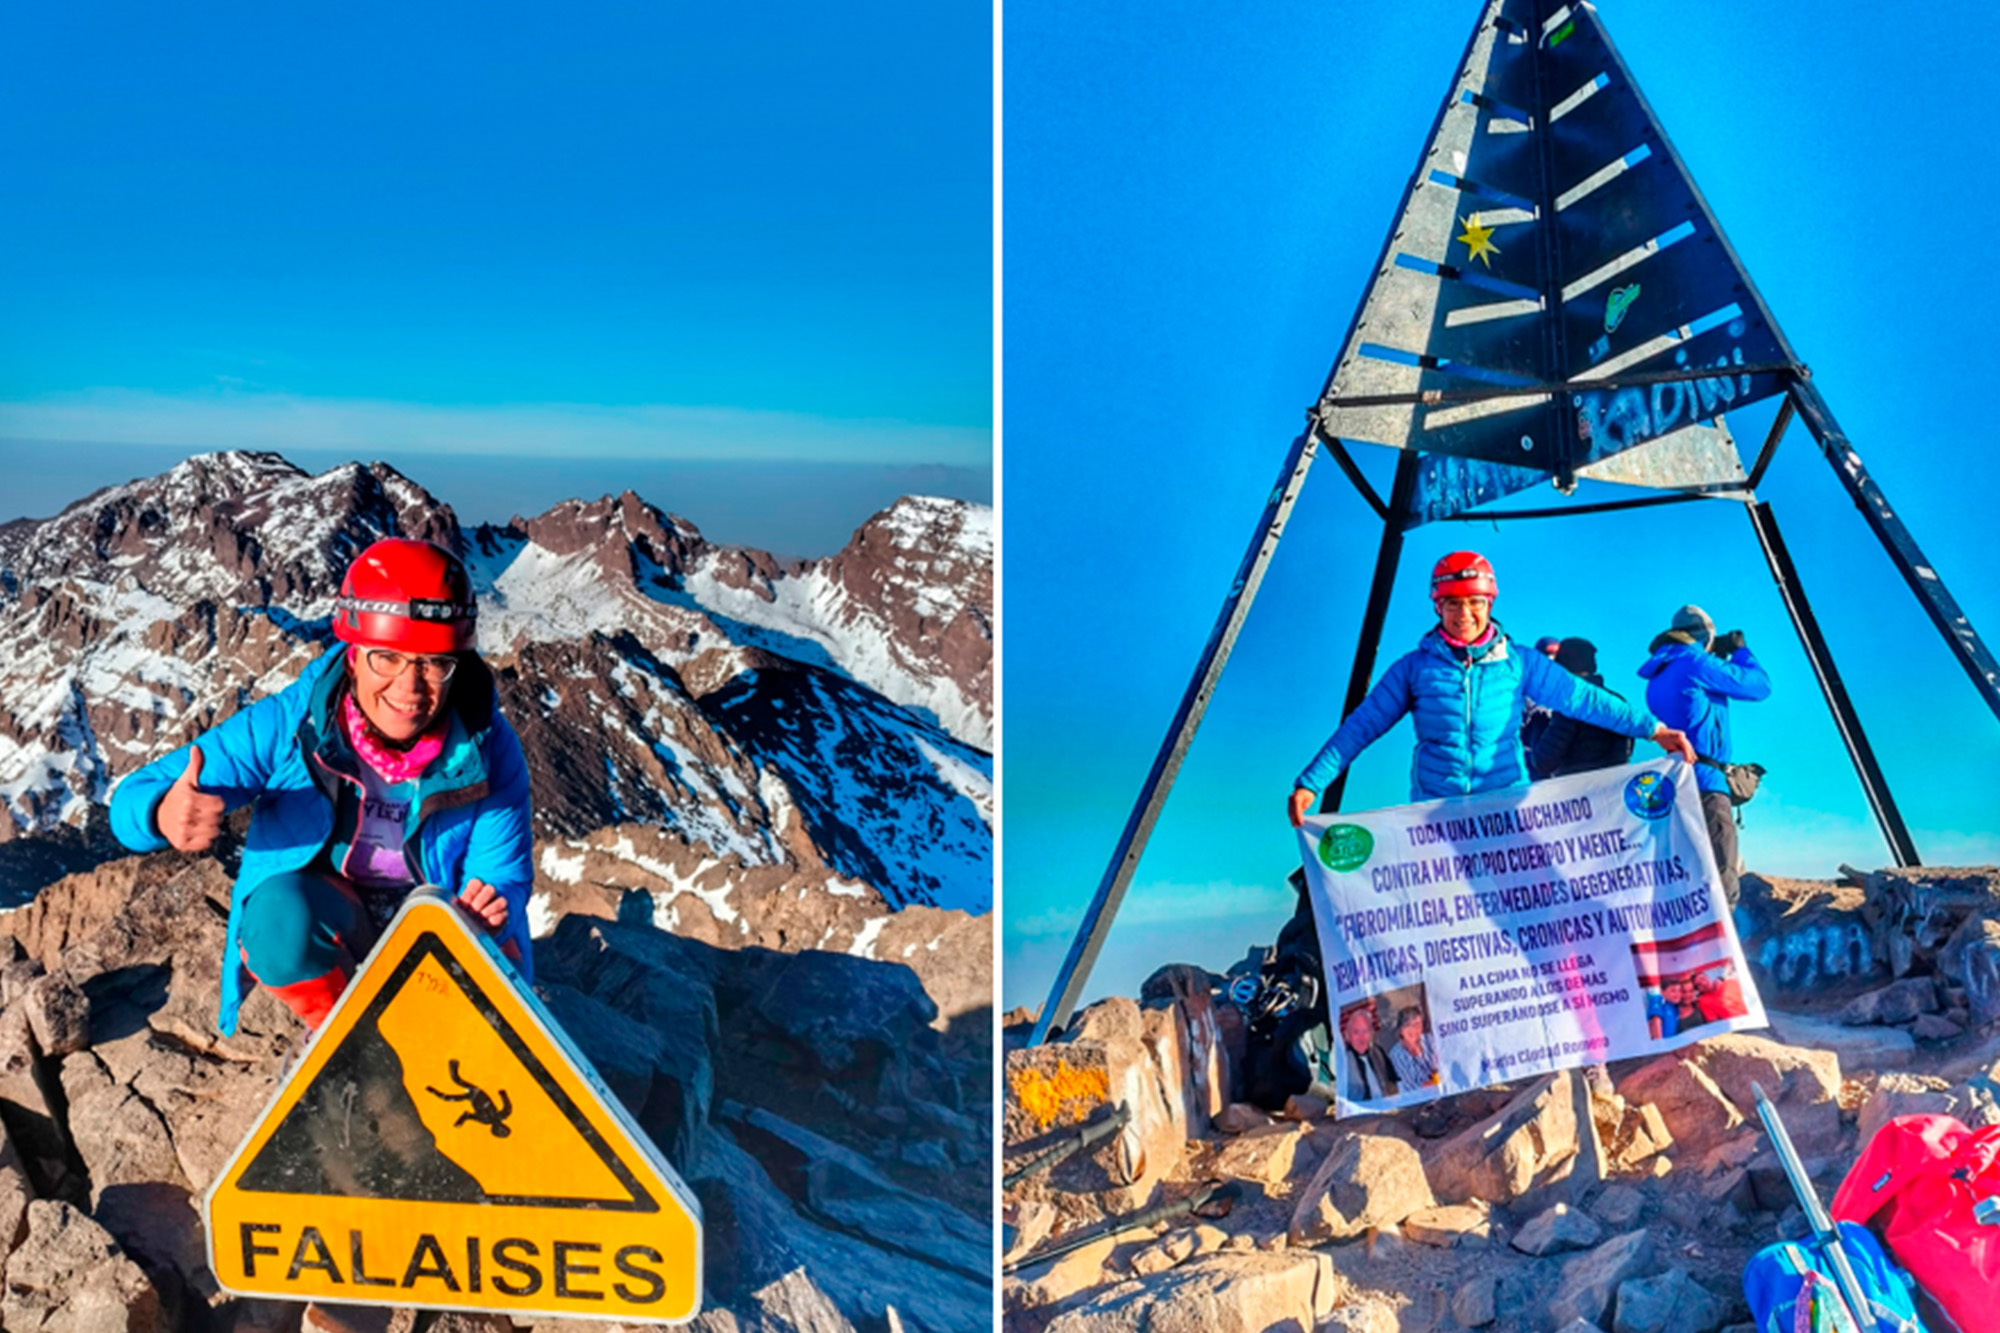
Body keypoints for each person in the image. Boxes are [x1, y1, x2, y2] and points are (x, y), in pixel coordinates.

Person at [109, 538, 534, 1036]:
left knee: (479, 983)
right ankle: (347, 1041)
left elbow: (501, 873)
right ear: (352, 656)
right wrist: (161, 812)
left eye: (432, 662)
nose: (410, 686)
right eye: (387, 658)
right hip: (337, 918)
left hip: (437, 927)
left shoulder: (486, 748)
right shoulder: (292, 724)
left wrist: (486, 913)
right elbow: (130, 801)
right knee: (278, 922)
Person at [1289, 552, 1693, 823]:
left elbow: (1583, 698)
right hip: (1437, 815)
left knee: (1521, 913)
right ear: (1437, 605)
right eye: (1452, 604)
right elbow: (1363, 724)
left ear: (1489, 603)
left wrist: (1654, 729)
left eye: (1474, 603)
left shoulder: (1519, 663)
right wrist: (1312, 781)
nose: (1464, 614)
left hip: (1505, 811)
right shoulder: (1414, 670)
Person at [1637, 605, 1771, 907]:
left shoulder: (1659, 672)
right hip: (1707, 783)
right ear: (1704, 634)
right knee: (1721, 877)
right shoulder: (1695, 662)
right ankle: (1723, 948)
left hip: (1673, 783)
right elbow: (1760, 687)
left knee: (1687, 874)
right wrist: (1740, 652)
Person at [1531, 638, 1638, 778]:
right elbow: (1628, 749)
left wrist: (1537, 734)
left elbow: (1544, 761)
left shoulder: (1570, 705)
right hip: (1614, 789)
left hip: (1576, 792)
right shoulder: (1619, 702)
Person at [1340, 1002, 1397, 1101]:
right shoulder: (1342, 1061)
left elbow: (1394, 1082)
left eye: (1365, 1031)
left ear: (1371, 1034)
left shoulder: (1378, 1053)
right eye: (1356, 1032)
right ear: (1347, 1035)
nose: (1361, 1037)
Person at [1388, 1005, 1438, 1089]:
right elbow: (1413, 1086)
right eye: (1411, 1025)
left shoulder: (1429, 1040)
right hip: (1419, 1099)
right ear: (1401, 1030)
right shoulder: (1395, 1055)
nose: (1416, 1029)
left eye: (1418, 1024)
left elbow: (1441, 1067)